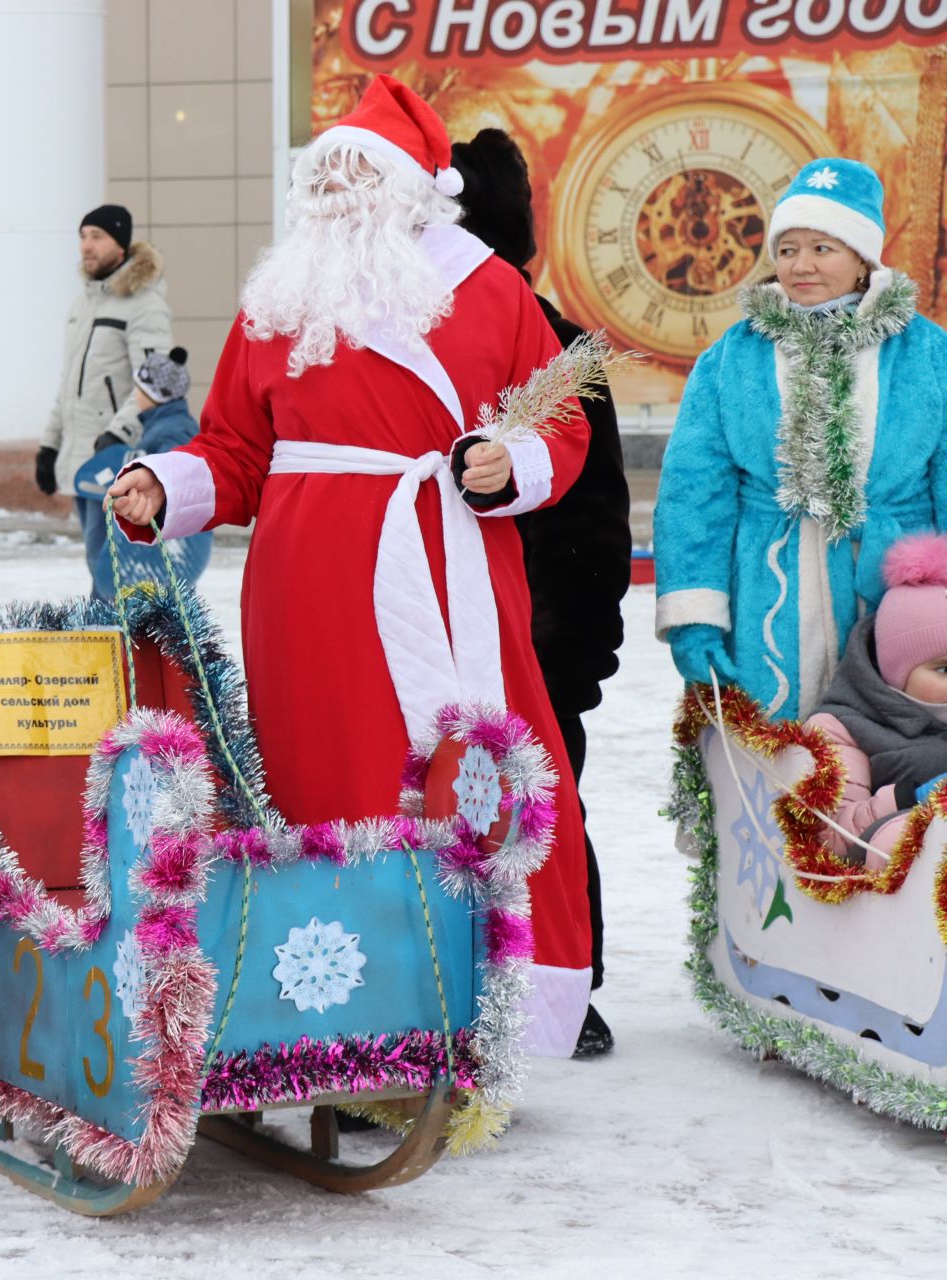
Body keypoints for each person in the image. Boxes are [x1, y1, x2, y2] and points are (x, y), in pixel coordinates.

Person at [107, 74, 596, 1056]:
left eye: (355, 172)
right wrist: (166, 483)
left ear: (414, 187)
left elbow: (561, 420)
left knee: (455, 768)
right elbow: (237, 452)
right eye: (320, 174)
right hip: (306, 591)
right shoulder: (275, 301)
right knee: (321, 775)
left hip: (443, 563)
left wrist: (512, 461)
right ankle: (340, 1005)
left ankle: (471, 1000)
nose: (335, 190)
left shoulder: (487, 287)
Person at [450, 128, 631, 1059]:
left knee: (548, 804)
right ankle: (454, 975)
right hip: (444, 630)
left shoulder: (557, 348)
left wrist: (574, 649)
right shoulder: (418, 341)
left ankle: (574, 977)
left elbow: (596, 515)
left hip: (540, 636)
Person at [655, 157, 947, 720]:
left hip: (900, 596)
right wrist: (695, 617)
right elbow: (695, 493)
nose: (801, 266)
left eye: (822, 248)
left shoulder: (927, 354)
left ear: (862, 259)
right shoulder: (732, 357)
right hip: (767, 591)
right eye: (788, 250)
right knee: (773, 770)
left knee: (895, 766)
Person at [36, 204, 173, 593]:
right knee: (98, 561)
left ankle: (116, 641)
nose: (86, 246)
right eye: (83, 236)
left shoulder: (144, 303)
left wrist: (117, 433)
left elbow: (157, 380)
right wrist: (50, 444)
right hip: (83, 457)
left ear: (120, 244)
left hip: (116, 459)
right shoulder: (84, 304)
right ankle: (107, 639)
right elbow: (71, 384)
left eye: (97, 237)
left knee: (112, 567)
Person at [806, 533, 947, 871]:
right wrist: (909, 797)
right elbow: (834, 839)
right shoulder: (844, 727)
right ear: (896, 670)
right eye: (943, 668)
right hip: (903, 891)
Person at [72, 346, 212, 604]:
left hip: (161, 548)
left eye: (139, 387)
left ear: (152, 394)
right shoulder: (161, 424)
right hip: (154, 541)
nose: (135, 394)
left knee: (155, 608)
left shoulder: (174, 430)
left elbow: (175, 475)